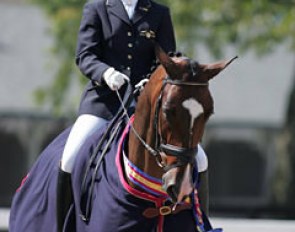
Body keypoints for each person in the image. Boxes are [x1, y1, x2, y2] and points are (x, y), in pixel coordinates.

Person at [56, 0, 209, 231]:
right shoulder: (97, 8)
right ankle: (63, 226)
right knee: (70, 157)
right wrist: (106, 73)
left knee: (200, 159)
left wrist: (156, 80)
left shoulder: (158, 12)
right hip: (104, 103)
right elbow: (85, 55)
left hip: (146, 107)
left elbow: (166, 58)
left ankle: (199, 224)